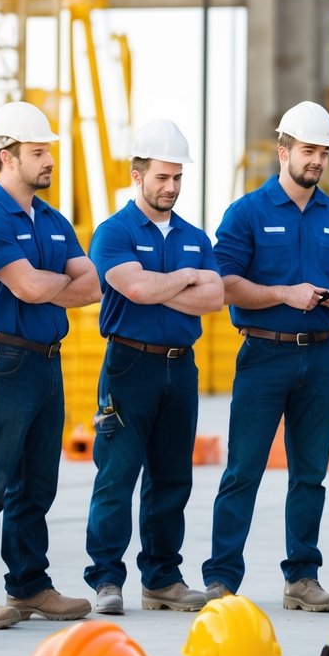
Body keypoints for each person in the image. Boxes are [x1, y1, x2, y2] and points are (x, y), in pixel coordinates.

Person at [203, 101, 329, 612]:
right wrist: (284, 294)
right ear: (284, 151)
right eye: (308, 150)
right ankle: (221, 578)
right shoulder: (247, 213)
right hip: (264, 355)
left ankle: (302, 577)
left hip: (320, 358)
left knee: (310, 474)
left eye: (323, 152)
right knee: (243, 470)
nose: (317, 160)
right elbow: (224, 284)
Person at [0, 101, 101, 628]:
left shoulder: (54, 220)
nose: (49, 161)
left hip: (46, 363)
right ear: (6, 158)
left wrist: (43, 285)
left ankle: (29, 586)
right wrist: (52, 284)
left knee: (38, 483)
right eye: (38, 152)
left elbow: (92, 286)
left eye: (48, 152)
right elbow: (33, 287)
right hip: (4, 361)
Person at [84, 119, 224, 615]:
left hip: (180, 369)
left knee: (172, 477)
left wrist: (158, 286)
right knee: (116, 476)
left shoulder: (194, 236)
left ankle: (162, 578)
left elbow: (215, 297)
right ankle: (106, 579)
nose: (171, 187)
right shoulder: (114, 232)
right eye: (162, 177)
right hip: (129, 366)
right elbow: (135, 288)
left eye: (178, 177)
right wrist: (185, 277)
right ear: (137, 175)